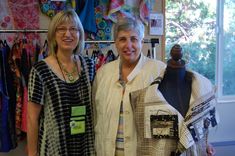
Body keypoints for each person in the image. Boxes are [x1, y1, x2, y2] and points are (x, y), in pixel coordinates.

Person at [92, 17, 166, 156]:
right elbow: (96, 116)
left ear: (141, 41)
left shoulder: (159, 71)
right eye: (122, 39)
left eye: (133, 39)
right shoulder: (103, 73)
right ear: (115, 43)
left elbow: (178, 112)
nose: (128, 45)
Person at [27, 9, 95, 156]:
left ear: (80, 34)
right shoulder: (40, 70)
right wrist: (32, 153)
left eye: (73, 29)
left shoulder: (89, 66)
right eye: (61, 29)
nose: (67, 34)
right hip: (54, 149)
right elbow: (32, 119)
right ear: (53, 34)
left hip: (86, 147)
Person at [129, 44, 218, 156]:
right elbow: (146, 143)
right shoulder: (144, 99)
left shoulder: (204, 91)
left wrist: (206, 145)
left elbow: (203, 132)